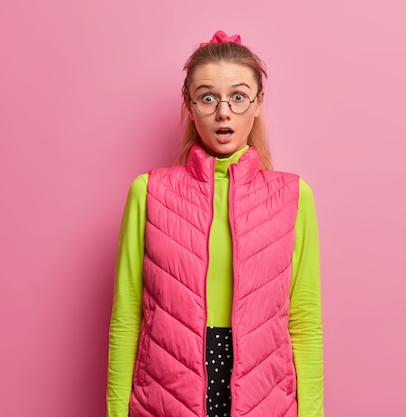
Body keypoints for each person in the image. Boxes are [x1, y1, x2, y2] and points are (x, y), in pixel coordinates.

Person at [107, 30, 324, 417]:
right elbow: (128, 315)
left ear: (258, 104)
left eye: (238, 97)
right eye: (208, 97)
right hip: (166, 394)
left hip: (265, 398)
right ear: (190, 107)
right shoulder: (148, 192)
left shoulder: (294, 196)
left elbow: (304, 322)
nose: (223, 112)